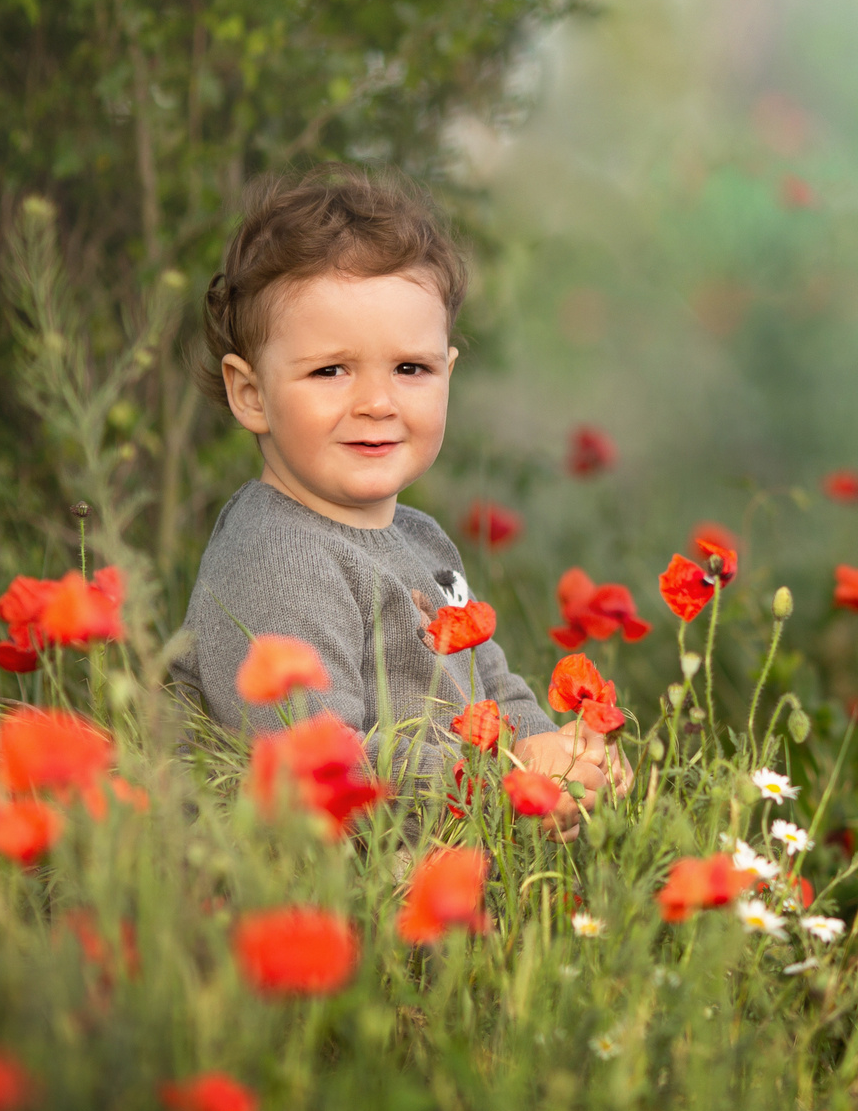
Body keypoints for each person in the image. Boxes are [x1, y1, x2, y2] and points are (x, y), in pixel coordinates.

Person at [169, 169, 623, 832]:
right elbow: (316, 764)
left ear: (448, 372)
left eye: (410, 368)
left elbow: (488, 683)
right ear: (251, 394)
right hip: (329, 896)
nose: (378, 403)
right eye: (331, 370)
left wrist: (554, 752)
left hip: (439, 866)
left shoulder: (423, 540)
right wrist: (505, 781)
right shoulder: (276, 554)